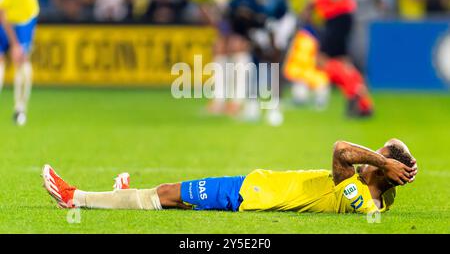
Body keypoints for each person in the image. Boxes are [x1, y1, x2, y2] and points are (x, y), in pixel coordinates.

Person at [42, 138, 417, 214]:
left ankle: (75, 197)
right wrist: (391, 163)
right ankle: (123, 195)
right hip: (255, 187)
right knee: (175, 197)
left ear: (383, 171)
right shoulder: (377, 200)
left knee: (168, 193)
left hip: (251, 195)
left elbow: (340, 148)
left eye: (378, 159)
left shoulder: (359, 195)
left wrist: (384, 164)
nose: (371, 158)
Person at [170, 0, 252, 115]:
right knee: (219, 48)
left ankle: (237, 101)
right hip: (231, 7)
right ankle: (219, 99)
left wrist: (227, 31)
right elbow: (206, 11)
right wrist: (219, 30)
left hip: (245, 1)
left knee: (236, 46)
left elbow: (224, 6)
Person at [310, 0, 375, 118]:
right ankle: (362, 102)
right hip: (327, 16)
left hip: (341, 13)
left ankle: (354, 95)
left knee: (322, 61)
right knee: (342, 62)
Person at [0, 0, 39, 125]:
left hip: (24, 17)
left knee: (21, 59)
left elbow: (2, 16)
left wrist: (15, 44)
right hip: (11, 14)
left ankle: (20, 109)